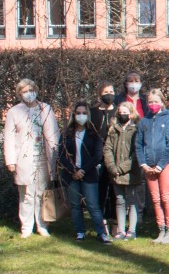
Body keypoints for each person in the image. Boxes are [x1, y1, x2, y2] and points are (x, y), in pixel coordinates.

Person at [3, 79, 59, 239]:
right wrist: (11, 161)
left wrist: (56, 157)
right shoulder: (14, 111)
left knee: (42, 193)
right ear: (20, 93)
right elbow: (9, 137)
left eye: (31, 90)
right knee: (26, 194)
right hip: (24, 159)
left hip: (43, 158)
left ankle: (42, 225)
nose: (29, 94)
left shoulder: (45, 108)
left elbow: (54, 133)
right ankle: (26, 227)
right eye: (25, 91)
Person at [58, 102, 110, 244]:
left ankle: (101, 233)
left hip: (89, 174)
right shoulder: (66, 133)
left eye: (84, 113)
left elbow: (97, 156)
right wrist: (73, 170)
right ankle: (80, 231)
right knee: (75, 205)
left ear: (88, 115)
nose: (81, 116)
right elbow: (61, 155)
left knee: (93, 205)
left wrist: (83, 170)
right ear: (74, 115)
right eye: (78, 113)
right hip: (71, 175)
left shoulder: (94, 133)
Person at [135, 89, 169, 244]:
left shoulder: (168, 119)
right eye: (150, 102)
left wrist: (161, 165)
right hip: (148, 165)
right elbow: (139, 144)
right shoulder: (144, 121)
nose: (153, 104)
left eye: (156, 101)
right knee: (155, 199)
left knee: (166, 197)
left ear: (161, 102)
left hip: (164, 165)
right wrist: (143, 164)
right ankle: (161, 229)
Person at [104, 101, 142, 241]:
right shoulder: (113, 129)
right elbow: (107, 149)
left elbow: (137, 153)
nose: (123, 115)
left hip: (131, 172)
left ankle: (132, 230)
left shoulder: (137, 129)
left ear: (131, 113)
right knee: (119, 200)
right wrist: (112, 167)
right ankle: (120, 229)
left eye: (126, 112)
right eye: (121, 112)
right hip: (115, 172)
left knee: (132, 200)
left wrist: (121, 168)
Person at [91, 82, 118, 228]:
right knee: (100, 191)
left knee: (115, 191)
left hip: (114, 158)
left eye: (111, 91)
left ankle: (115, 221)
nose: (109, 94)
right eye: (106, 91)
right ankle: (101, 221)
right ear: (100, 94)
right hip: (98, 158)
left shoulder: (119, 112)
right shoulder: (93, 112)